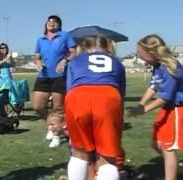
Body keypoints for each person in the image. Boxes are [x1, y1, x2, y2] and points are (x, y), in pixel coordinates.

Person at [127, 34, 183, 180]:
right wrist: (141, 104)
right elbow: (153, 87)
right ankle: (176, 168)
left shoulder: (169, 66)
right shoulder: (157, 66)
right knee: (156, 143)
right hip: (168, 108)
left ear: (150, 53)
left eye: (140, 53)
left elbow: (165, 97)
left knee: (168, 148)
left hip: (179, 109)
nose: (138, 56)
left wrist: (144, 110)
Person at [65, 35, 126, 180]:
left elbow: (69, 88)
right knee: (108, 156)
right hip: (108, 97)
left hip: (78, 96)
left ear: (83, 47)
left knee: (79, 153)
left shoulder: (75, 61)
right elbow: (121, 94)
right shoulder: (117, 62)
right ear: (108, 46)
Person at [32, 15, 76, 148]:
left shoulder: (65, 36)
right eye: (49, 21)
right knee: (37, 106)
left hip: (60, 76)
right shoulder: (41, 39)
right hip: (43, 76)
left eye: (55, 21)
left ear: (59, 25)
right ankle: (53, 126)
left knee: (57, 108)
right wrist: (38, 61)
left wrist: (64, 60)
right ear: (45, 24)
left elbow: (73, 52)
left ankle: (56, 135)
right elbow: (36, 55)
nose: (52, 23)